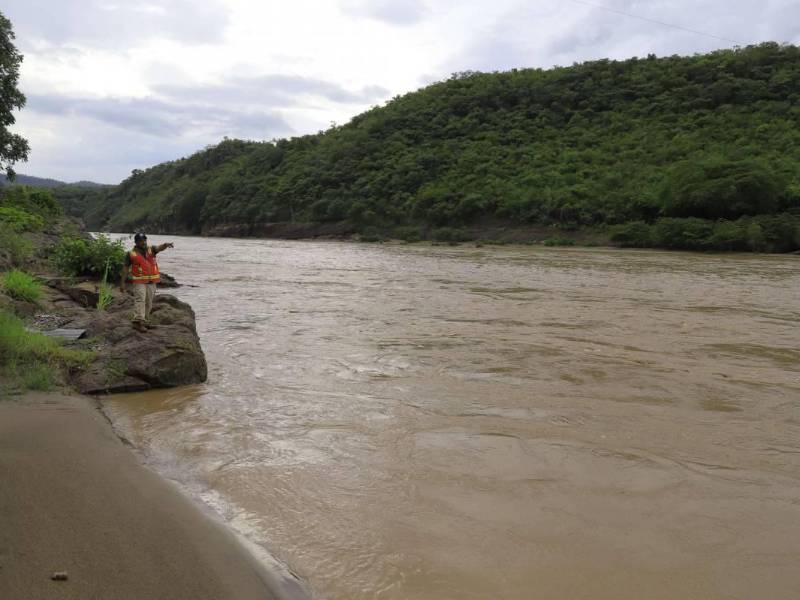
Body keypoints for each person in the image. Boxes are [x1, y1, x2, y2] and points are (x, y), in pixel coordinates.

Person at [120, 232, 174, 332]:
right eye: (141, 241)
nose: (143, 242)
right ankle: (137, 322)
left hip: (151, 281)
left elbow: (159, 248)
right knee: (140, 300)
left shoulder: (151, 249)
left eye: (144, 240)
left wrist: (165, 245)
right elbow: (125, 268)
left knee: (148, 302)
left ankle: (143, 321)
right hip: (139, 281)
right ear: (136, 242)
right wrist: (122, 283)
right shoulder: (130, 254)